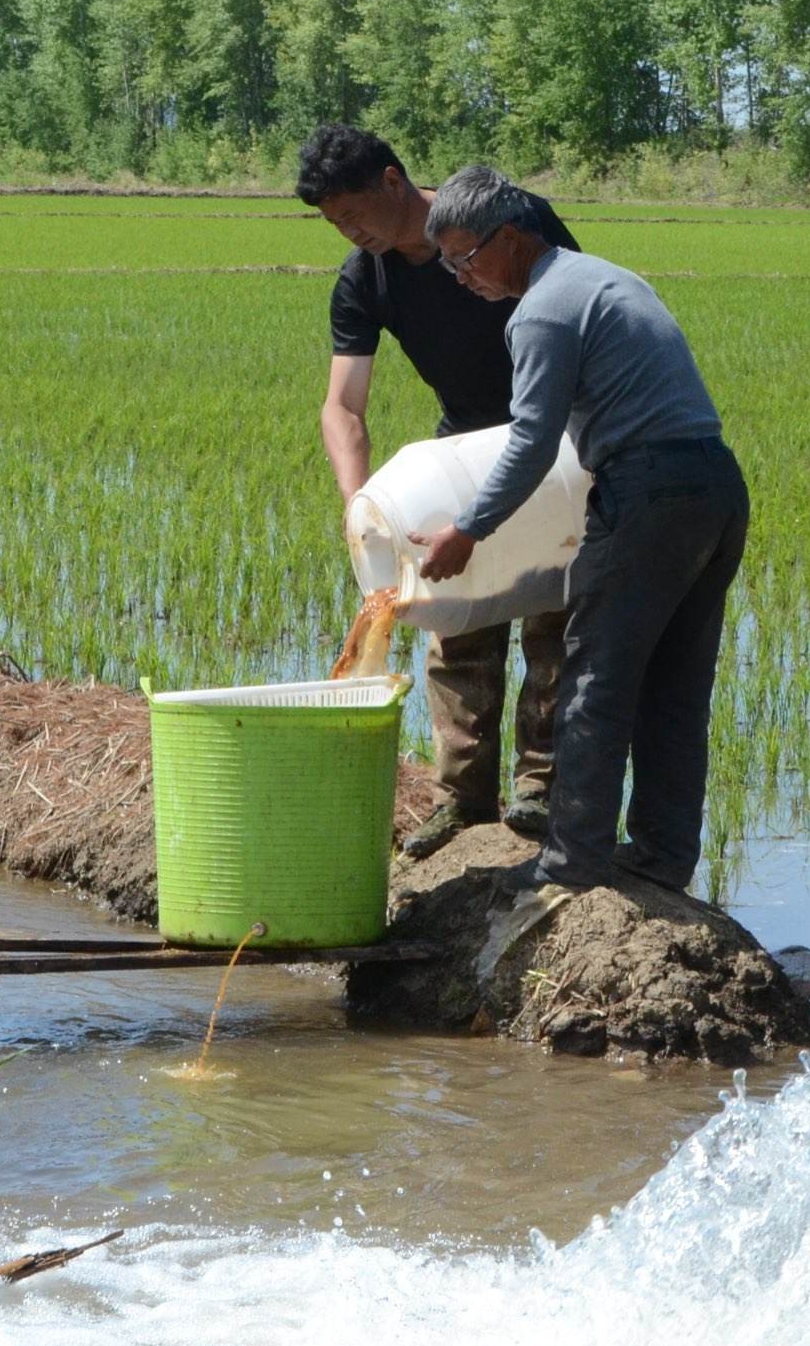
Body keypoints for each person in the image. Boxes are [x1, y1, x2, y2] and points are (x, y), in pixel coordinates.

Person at [409, 164, 748, 896]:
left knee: (593, 680)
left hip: (648, 493)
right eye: (449, 266)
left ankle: (572, 862)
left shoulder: (540, 311)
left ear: (510, 238)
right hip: (716, 487)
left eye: (466, 259)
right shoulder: (604, 277)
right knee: (675, 687)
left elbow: (532, 442)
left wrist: (467, 530)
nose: (461, 279)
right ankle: (661, 856)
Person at [298, 126, 579, 858]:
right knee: (452, 622)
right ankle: (462, 800)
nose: (349, 231)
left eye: (353, 212)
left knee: (553, 612)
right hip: (462, 450)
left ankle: (540, 793)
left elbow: (577, 312)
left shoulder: (503, 217)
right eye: (333, 223)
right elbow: (343, 407)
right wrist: (358, 503)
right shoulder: (365, 279)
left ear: (393, 181)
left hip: (550, 438)